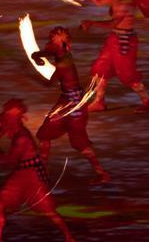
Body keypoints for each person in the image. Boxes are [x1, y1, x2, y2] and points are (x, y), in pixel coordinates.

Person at [0, 98, 76, 242]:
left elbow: (10, 160)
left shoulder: (22, 137)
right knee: (0, 203)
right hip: (22, 173)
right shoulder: (14, 130)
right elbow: (1, 134)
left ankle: (68, 236)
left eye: (8, 117)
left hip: (31, 175)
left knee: (48, 210)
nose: (5, 120)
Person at [33, 27, 110, 184]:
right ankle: (43, 172)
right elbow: (50, 51)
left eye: (53, 38)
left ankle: (102, 174)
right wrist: (37, 55)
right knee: (46, 133)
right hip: (69, 102)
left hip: (72, 106)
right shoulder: (64, 53)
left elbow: (48, 83)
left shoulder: (63, 66)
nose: (50, 41)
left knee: (79, 142)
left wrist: (35, 66)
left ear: (62, 43)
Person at [81, 0, 149, 113]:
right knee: (102, 69)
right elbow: (98, 1)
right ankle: (99, 102)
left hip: (124, 41)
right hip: (115, 38)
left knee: (127, 74)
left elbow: (112, 23)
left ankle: (147, 102)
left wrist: (92, 23)